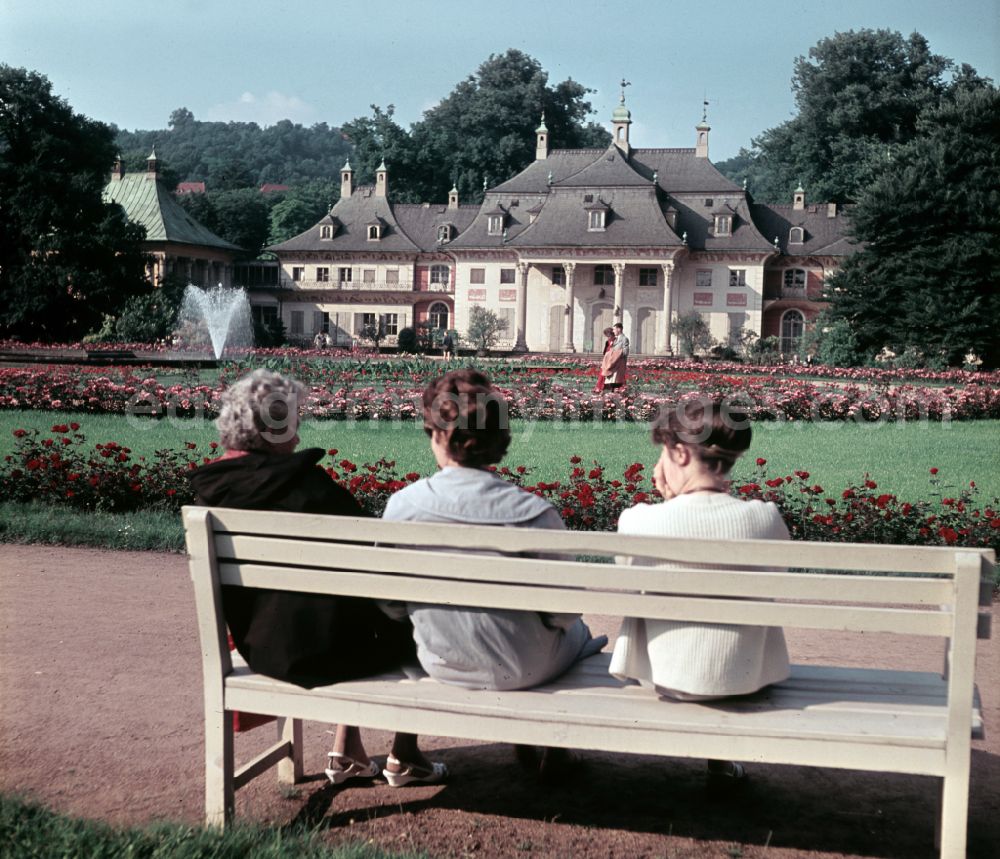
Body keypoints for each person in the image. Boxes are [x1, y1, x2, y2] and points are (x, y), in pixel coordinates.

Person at [188, 369, 434, 788]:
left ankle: (347, 750)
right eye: (295, 423)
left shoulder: (212, 492)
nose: (300, 437)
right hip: (326, 654)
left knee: (340, 609)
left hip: (260, 649)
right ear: (274, 429)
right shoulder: (308, 486)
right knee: (412, 617)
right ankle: (404, 753)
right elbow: (374, 561)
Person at [381, 368, 606, 778]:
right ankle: (553, 748)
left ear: (437, 434)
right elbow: (563, 614)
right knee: (581, 634)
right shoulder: (535, 513)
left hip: (443, 661)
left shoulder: (403, 507)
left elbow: (392, 605)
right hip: (526, 666)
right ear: (498, 441)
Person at [608, 398, 791, 786]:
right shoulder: (765, 518)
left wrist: (670, 503)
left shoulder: (638, 521)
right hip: (745, 679)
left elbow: (628, 578)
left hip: (667, 676)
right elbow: (777, 573)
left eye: (663, 453)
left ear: (679, 452)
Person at [602, 322, 629, 391]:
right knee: (611, 381)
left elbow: (625, 352)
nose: (613, 331)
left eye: (614, 329)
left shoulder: (624, 339)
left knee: (617, 381)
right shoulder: (615, 339)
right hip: (613, 363)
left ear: (619, 329)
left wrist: (616, 354)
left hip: (619, 363)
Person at [595, 326, 615, 392]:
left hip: (614, 360)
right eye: (607, 336)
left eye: (609, 336)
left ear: (613, 335)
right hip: (607, 360)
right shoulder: (607, 342)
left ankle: (613, 389)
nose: (608, 337)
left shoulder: (617, 342)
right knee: (602, 374)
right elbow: (604, 352)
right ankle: (600, 388)